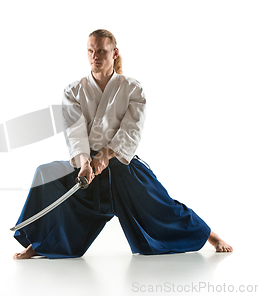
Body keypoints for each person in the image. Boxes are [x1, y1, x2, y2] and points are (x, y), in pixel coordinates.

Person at [13, 29, 233, 259]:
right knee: (46, 176)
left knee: (163, 207)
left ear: (114, 52)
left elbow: (131, 130)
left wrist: (105, 155)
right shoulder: (74, 91)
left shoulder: (132, 89)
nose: (94, 56)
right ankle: (38, 244)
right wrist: (85, 163)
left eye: (101, 51)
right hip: (87, 167)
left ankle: (210, 235)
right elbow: (74, 133)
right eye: (90, 51)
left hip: (120, 163)